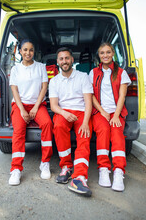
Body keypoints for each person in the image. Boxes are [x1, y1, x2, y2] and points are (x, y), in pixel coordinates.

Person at [49, 47, 93, 197]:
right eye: (61, 59)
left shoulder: (83, 77)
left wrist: (86, 122)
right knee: (59, 125)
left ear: (72, 60)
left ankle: (79, 177)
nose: (64, 61)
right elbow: (54, 105)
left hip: (82, 113)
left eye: (67, 58)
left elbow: (88, 102)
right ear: (57, 62)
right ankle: (66, 167)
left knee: (84, 136)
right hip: (63, 112)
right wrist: (64, 113)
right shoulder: (54, 81)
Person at [9, 39, 53, 185]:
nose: (28, 52)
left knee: (47, 123)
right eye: (25, 50)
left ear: (34, 52)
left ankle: (45, 163)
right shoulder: (15, 69)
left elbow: (44, 88)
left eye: (31, 50)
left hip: (37, 105)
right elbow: (14, 90)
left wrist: (35, 107)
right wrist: (22, 109)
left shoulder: (41, 67)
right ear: (20, 51)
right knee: (19, 131)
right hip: (20, 105)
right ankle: (16, 169)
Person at [89, 42, 131, 192]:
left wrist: (116, 115)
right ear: (98, 56)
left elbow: (122, 96)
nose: (105, 55)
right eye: (102, 53)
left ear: (113, 53)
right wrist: (102, 111)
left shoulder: (121, 72)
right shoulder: (93, 72)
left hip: (117, 112)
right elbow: (91, 96)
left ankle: (119, 171)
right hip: (100, 112)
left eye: (108, 52)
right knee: (103, 132)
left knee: (117, 134)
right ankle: (104, 169)